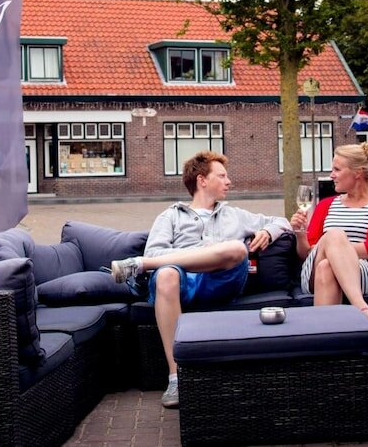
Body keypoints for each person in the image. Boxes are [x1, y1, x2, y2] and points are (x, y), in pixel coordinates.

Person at [108, 150, 290, 409]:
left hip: (220, 282)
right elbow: (155, 253)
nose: (229, 181)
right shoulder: (171, 216)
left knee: (236, 249)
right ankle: (175, 378)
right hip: (181, 284)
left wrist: (268, 232)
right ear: (202, 180)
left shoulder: (235, 214)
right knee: (166, 274)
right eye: (222, 176)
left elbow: (281, 221)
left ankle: (138, 266)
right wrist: (195, 256)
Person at [290, 142, 368, 330]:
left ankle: (323, 341)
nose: (331, 175)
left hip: (366, 273)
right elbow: (306, 254)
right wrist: (300, 233)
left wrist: (338, 251)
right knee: (333, 238)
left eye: (337, 169)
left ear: (358, 172)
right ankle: (362, 308)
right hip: (314, 271)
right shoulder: (326, 205)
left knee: (328, 264)